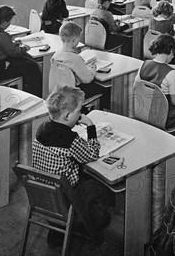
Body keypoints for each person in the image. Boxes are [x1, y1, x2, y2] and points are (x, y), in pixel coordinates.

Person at [32, 86, 112, 247]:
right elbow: (92, 154)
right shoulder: (71, 139)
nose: (81, 115)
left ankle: (57, 230)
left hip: (44, 194)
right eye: (79, 112)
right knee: (104, 187)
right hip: (68, 197)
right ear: (68, 115)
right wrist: (90, 126)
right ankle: (95, 223)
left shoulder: (41, 128)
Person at [134, 34, 175, 133]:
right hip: (164, 117)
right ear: (170, 51)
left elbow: (136, 87)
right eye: (173, 53)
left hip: (144, 112)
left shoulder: (143, 64)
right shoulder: (171, 72)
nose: (173, 56)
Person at [0, 6, 43, 97]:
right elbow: (14, 53)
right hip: (0, 72)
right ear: (4, 23)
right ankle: (34, 94)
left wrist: (12, 43)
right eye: (10, 21)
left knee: (28, 62)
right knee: (33, 67)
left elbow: (0, 46)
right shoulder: (2, 36)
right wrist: (24, 48)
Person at [52, 22, 105, 98]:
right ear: (74, 38)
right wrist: (92, 67)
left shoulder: (56, 55)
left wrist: (84, 64)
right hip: (74, 94)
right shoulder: (75, 58)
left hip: (61, 92)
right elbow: (88, 79)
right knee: (104, 88)